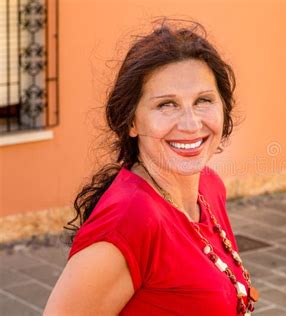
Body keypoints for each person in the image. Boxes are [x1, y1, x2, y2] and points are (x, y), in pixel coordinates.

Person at [44, 20, 259, 316]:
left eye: (204, 100)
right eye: (166, 105)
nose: (191, 124)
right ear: (131, 121)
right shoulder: (127, 222)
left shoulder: (209, 186)